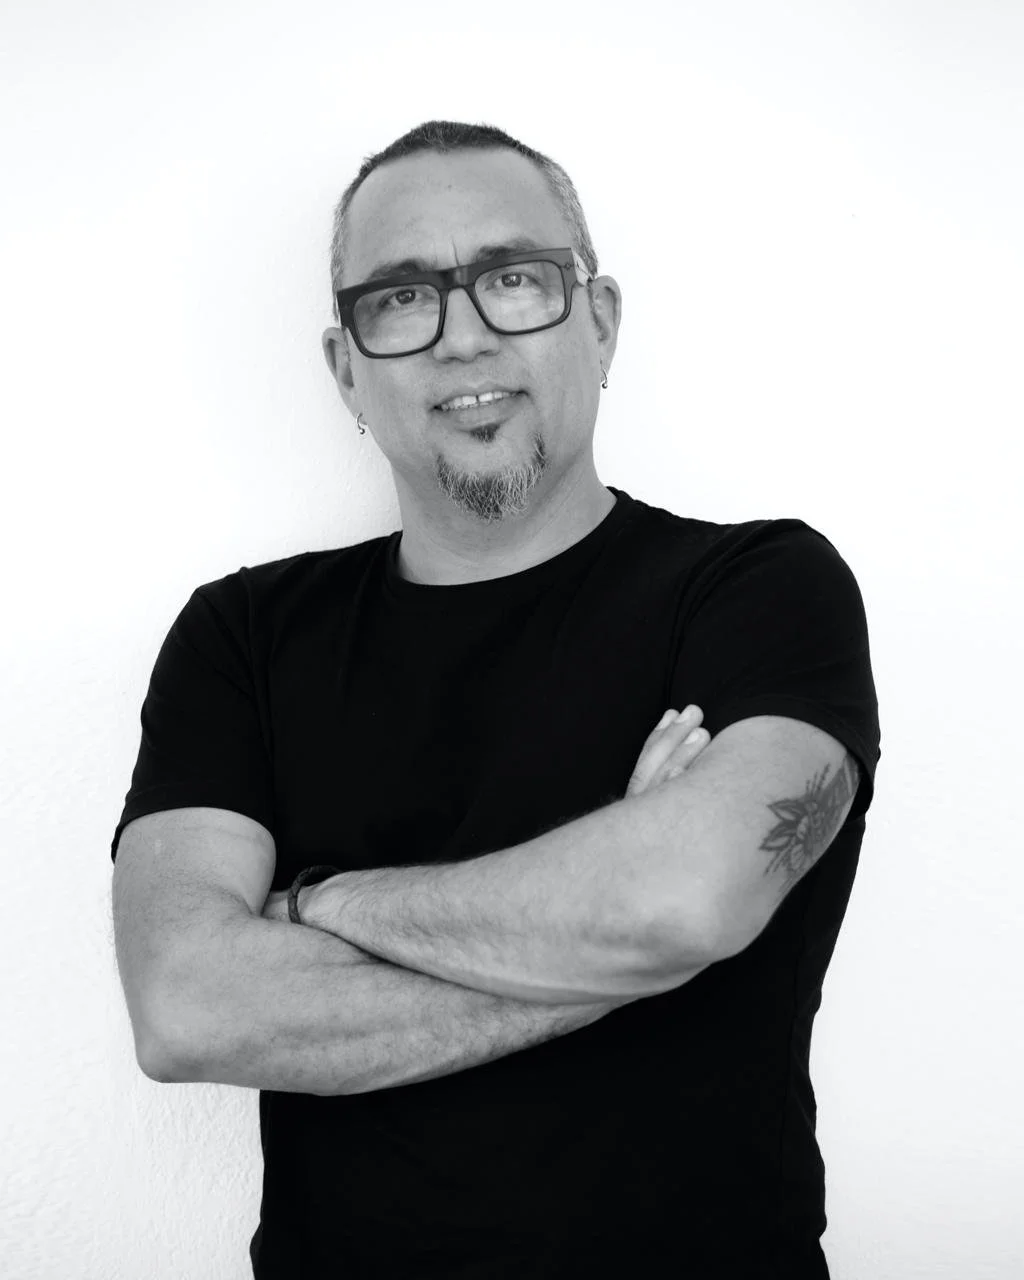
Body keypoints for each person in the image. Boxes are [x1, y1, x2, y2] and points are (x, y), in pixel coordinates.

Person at [110, 119, 881, 1279]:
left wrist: (315, 906)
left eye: (514, 280)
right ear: (346, 367)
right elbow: (186, 1008)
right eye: (403, 298)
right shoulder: (242, 636)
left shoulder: (758, 588)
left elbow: (674, 902)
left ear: (602, 320)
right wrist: (619, 935)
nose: (463, 337)